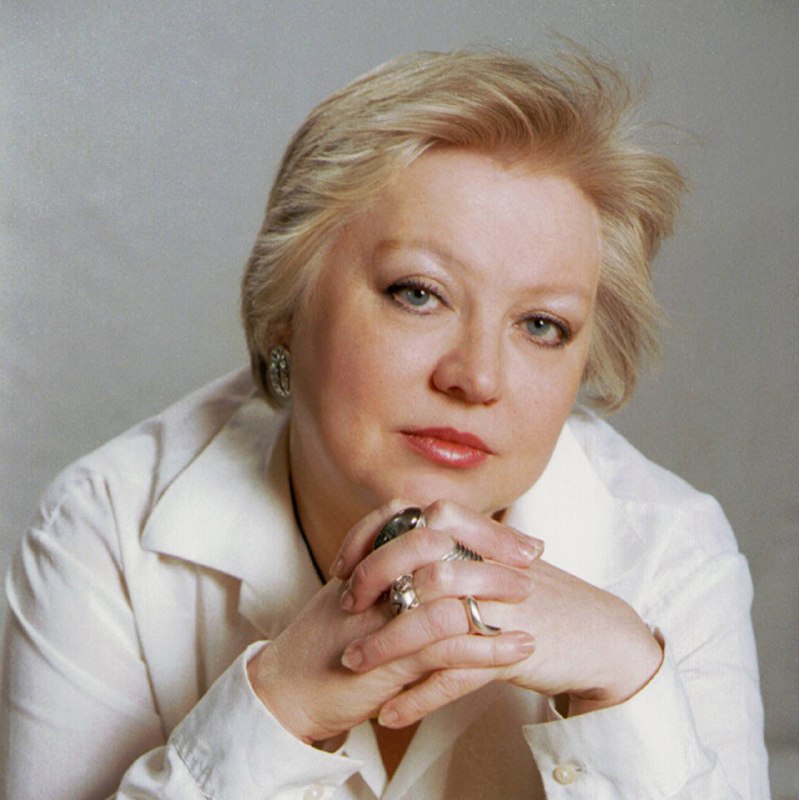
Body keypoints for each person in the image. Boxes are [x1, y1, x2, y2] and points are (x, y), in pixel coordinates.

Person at [1, 49, 770, 799]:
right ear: (286, 304)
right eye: (418, 294)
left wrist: (627, 688)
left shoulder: (670, 554)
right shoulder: (109, 525)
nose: (477, 377)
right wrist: (278, 708)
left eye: (541, 325)